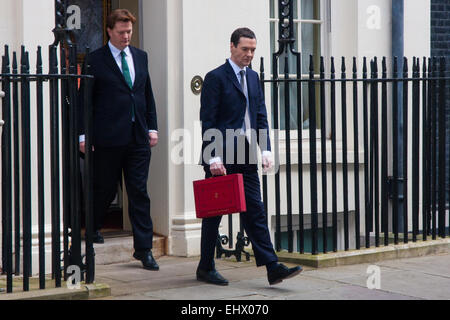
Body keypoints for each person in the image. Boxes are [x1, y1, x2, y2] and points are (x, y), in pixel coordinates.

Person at [198, 27, 302, 285]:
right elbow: (208, 119)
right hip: (221, 154)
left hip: (245, 153)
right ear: (232, 47)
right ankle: (205, 267)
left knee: (255, 210)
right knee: (214, 214)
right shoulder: (216, 77)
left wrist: (265, 149)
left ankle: (272, 267)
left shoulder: (254, 78)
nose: (249, 54)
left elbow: (260, 116)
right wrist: (213, 158)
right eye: (245, 49)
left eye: (253, 50)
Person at [79, 9, 159, 271]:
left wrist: (153, 128)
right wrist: (83, 135)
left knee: (139, 193)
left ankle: (144, 250)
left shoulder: (140, 56)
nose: (127, 36)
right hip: (107, 136)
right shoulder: (95, 59)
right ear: (110, 31)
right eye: (122, 32)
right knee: (104, 188)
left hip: (137, 137)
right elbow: (85, 102)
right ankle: (91, 228)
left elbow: (146, 94)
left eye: (129, 32)